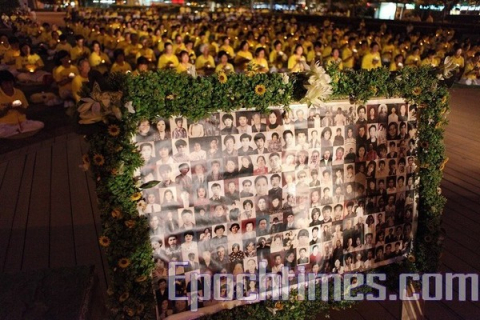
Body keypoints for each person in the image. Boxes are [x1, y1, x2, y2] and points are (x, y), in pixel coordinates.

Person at [0, 70, 44, 138]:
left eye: (10, 83)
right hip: (5, 124)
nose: (8, 85)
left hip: (22, 122)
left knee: (40, 124)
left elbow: (25, 111)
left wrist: (18, 108)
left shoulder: (19, 93)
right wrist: (8, 108)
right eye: (5, 83)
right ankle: (18, 130)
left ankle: (17, 131)